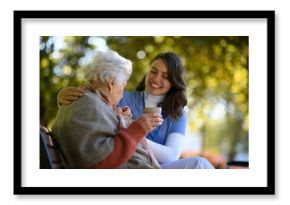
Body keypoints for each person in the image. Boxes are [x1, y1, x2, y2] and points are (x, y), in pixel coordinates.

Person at [57, 52, 214, 169]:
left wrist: (134, 129)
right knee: (200, 165)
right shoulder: (122, 97)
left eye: (165, 76)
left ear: (174, 82)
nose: (156, 78)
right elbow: (93, 99)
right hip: (136, 166)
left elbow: (172, 155)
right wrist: (63, 96)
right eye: (153, 71)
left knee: (201, 164)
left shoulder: (177, 114)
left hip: (152, 165)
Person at [52, 50, 163, 169]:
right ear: (111, 83)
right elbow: (99, 164)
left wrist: (117, 116)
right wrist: (138, 128)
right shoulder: (89, 105)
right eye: (123, 86)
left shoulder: (93, 102)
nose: (122, 94)